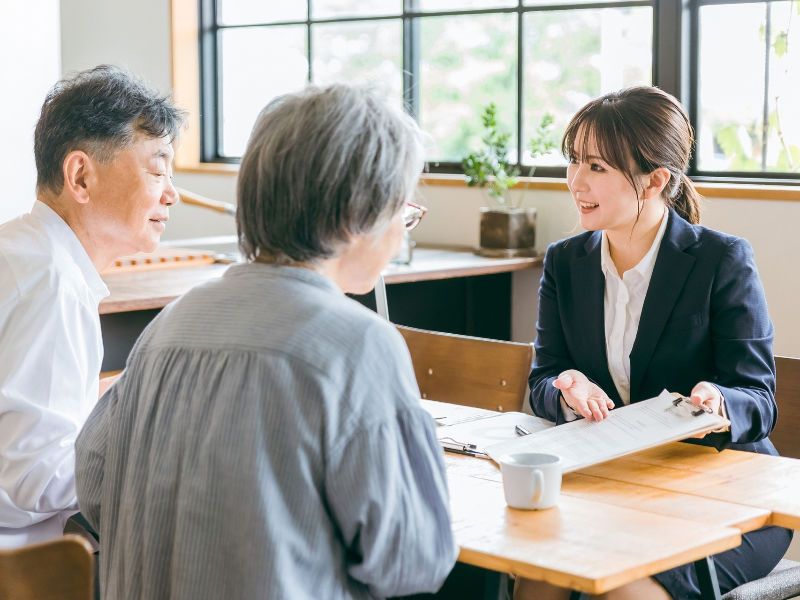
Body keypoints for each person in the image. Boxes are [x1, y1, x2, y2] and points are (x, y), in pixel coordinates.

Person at [75, 84, 458, 599]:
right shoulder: (357, 343)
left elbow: (95, 486)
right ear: (359, 213)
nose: (401, 232)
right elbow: (412, 560)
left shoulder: (169, 325)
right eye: (403, 210)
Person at [517, 86, 791, 600]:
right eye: (574, 160)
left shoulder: (721, 260)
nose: (575, 181)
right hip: (615, 484)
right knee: (539, 573)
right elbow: (542, 379)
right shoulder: (565, 262)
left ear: (656, 179)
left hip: (726, 495)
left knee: (620, 589)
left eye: (597, 166)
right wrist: (564, 387)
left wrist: (718, 401)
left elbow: (759, 398)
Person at [0, 65, 184, 548]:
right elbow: (35, 480)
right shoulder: (52, 283)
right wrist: (154, 446)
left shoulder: (22, 249)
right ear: (80, 175)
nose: (172, 193)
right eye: (158, 169)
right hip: (26, 568)